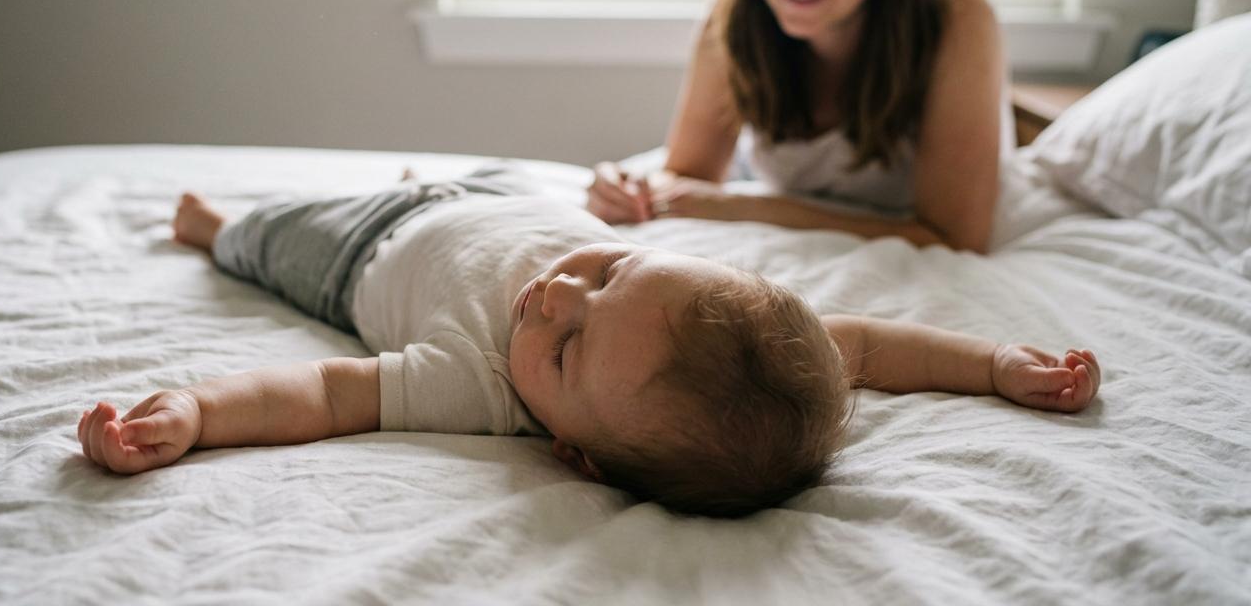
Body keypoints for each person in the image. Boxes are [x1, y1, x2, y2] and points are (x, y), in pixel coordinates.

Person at [76, 172, 1100, 517]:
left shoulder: (477, 385)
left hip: (361, 248)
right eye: (613, 272)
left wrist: (199, 411)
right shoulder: (703, 317)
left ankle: (214, 226)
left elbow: (321, 390)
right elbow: (869, 344)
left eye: (564, 350)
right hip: (496, 196)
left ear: (574, 452)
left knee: (270, 236)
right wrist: (993, 364)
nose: (557, 292)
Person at [587, 0, 1007, 253]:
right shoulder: (738, 11)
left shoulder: (956, 17)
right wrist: (628, 190)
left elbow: (954, 237)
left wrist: (740, 207)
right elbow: (688, 179)